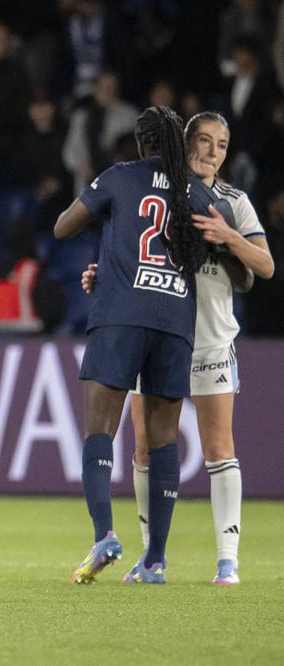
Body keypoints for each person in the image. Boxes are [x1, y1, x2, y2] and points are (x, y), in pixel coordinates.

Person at [81, 112, 274, 585]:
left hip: (209, 341)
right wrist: (104, 276)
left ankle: (227, 561)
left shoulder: (231, 202)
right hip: (160, 338)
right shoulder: (159, 191)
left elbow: (262, 267)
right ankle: (152, 556)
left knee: (218, 447)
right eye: (204, 141)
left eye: (222, 145)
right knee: (145, 447)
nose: (212, 152)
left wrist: (228, 237)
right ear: (183, 144)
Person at [55, 106, 223, 585]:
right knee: (163, 439)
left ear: (142, 142)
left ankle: (105, 534)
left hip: (121, 316)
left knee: (99, 429)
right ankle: (155, 560)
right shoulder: (199, 192)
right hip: (174, 322)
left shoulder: (122, 176)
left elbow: (63, 227)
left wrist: (105, 218)